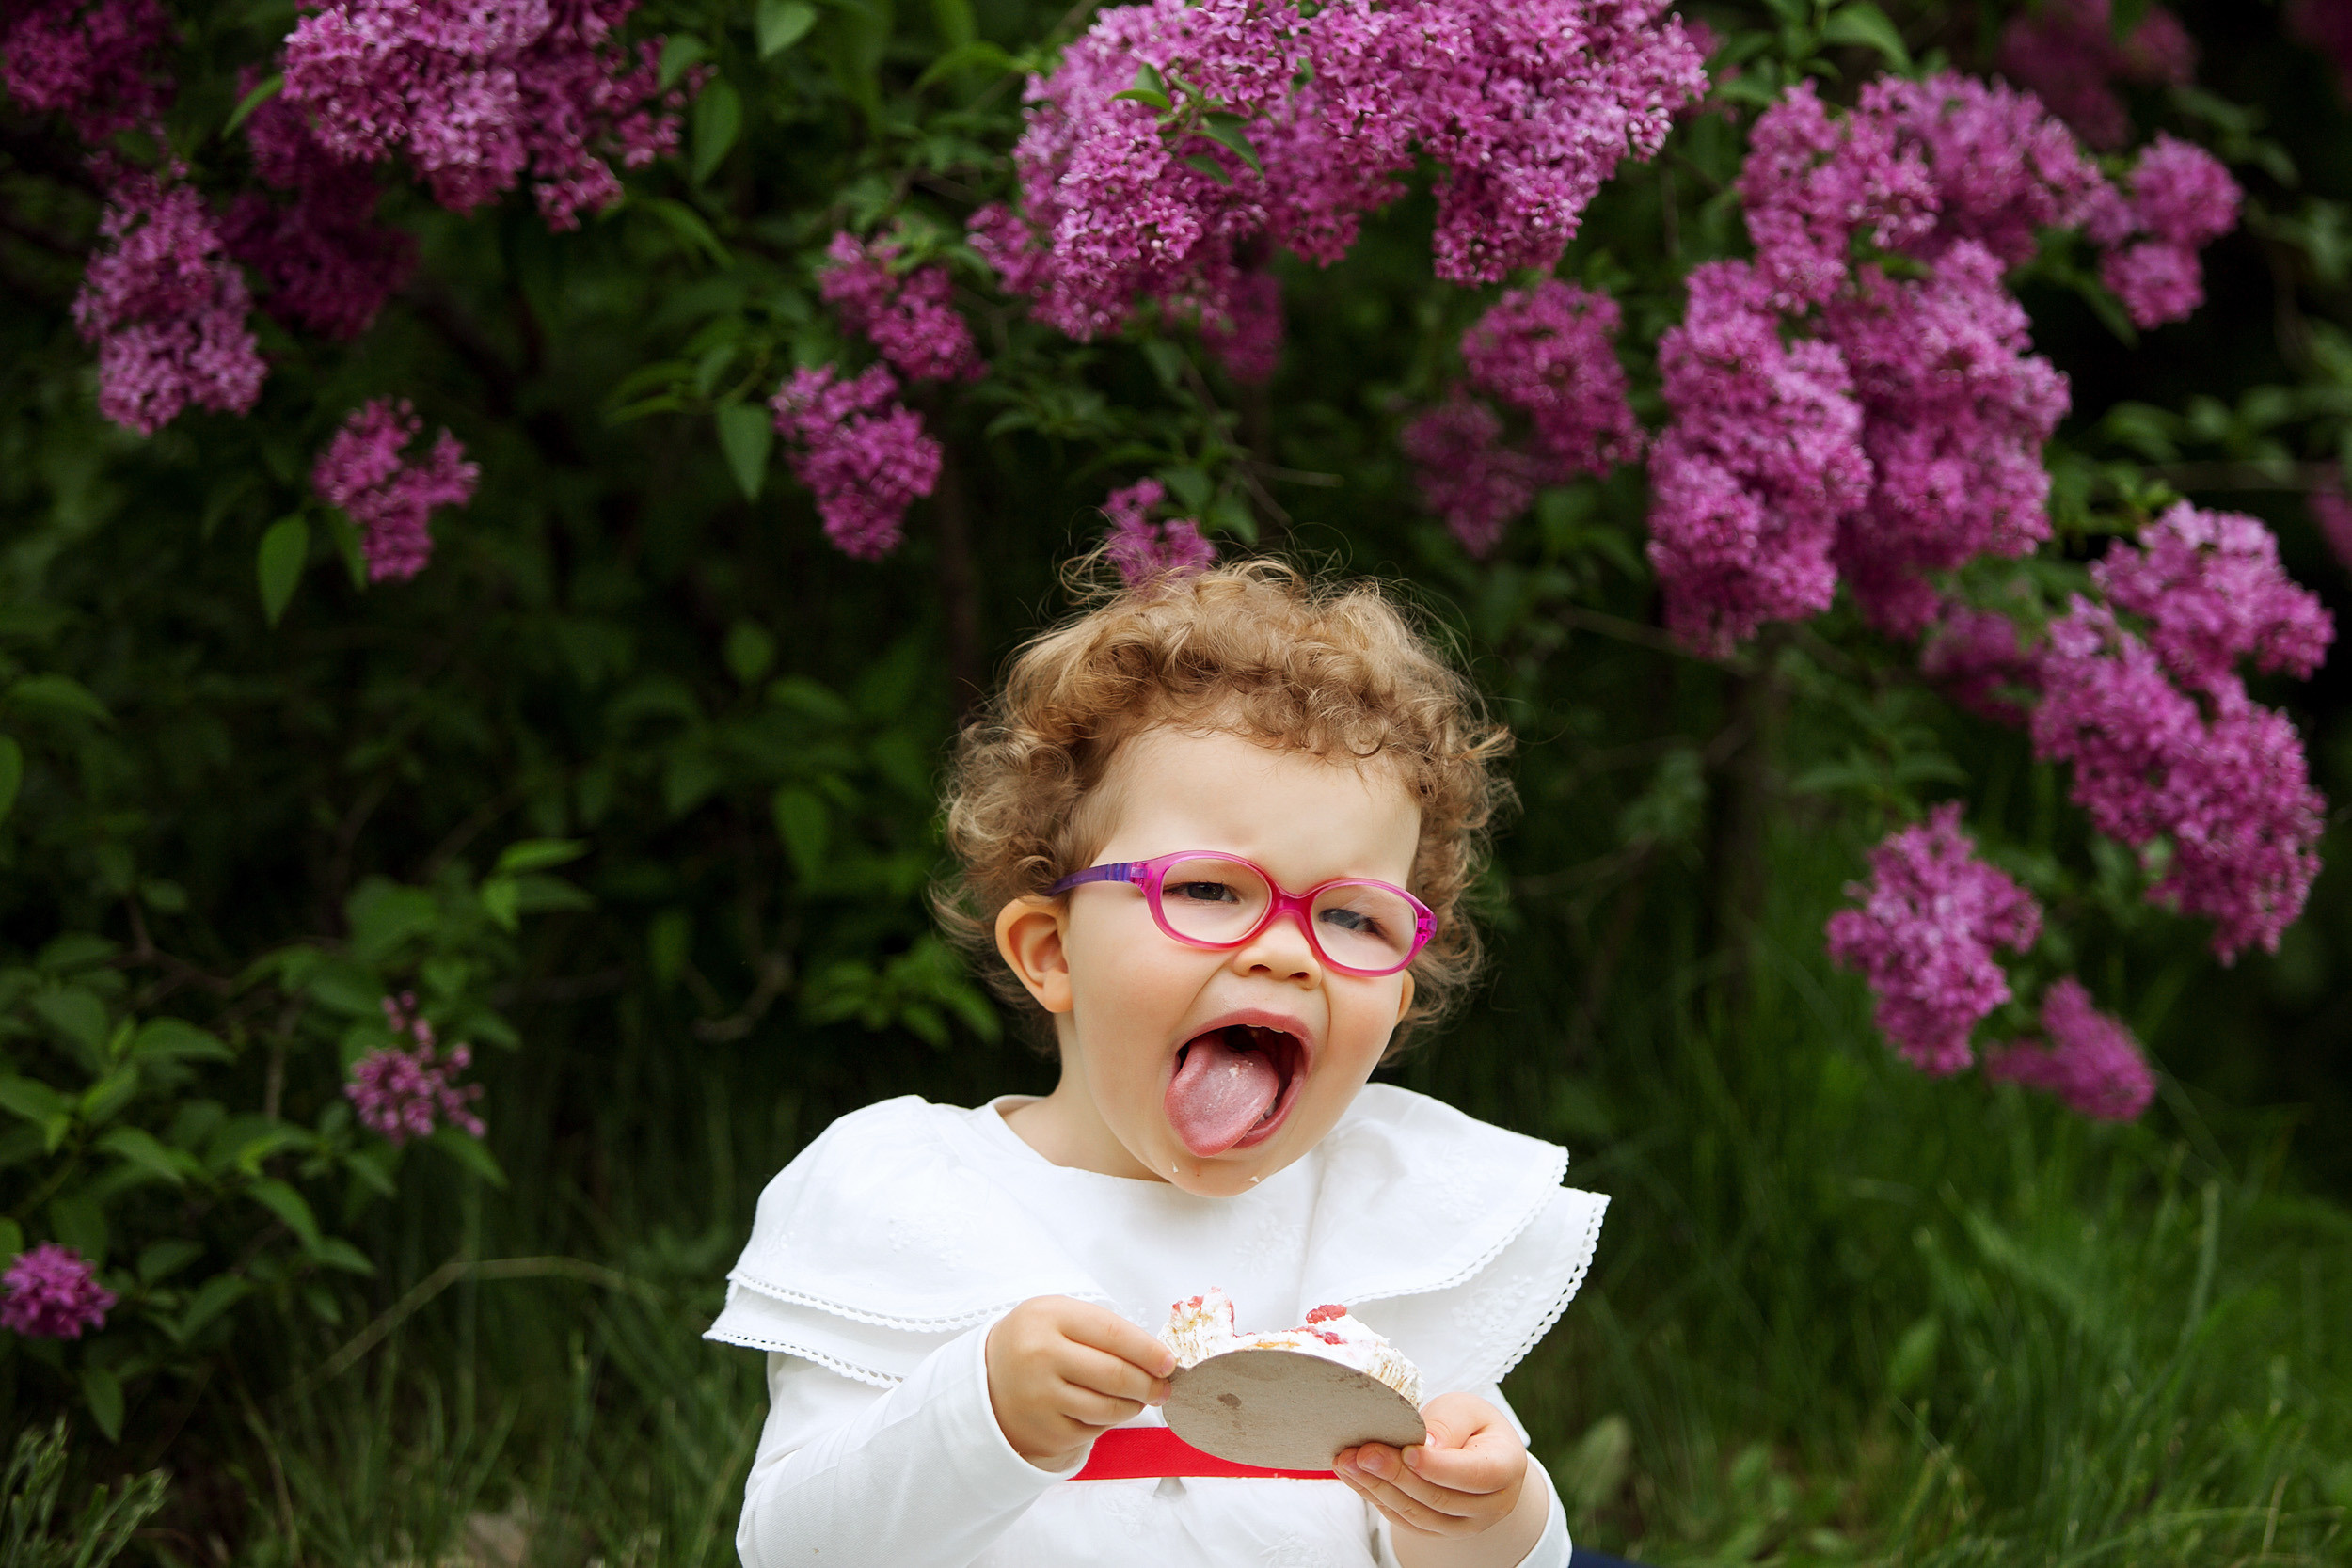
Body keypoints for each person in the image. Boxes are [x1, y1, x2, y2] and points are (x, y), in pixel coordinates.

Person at [707, 559, 1611, 1568]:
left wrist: (1490, 1517)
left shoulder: (1380, 1223)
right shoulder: (910, 1198)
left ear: (1394, 1005)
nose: (1284, 947)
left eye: (1352, 914)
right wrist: (980, 1414)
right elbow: (792, 1546)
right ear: (1052, 952)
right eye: (1212, 890)